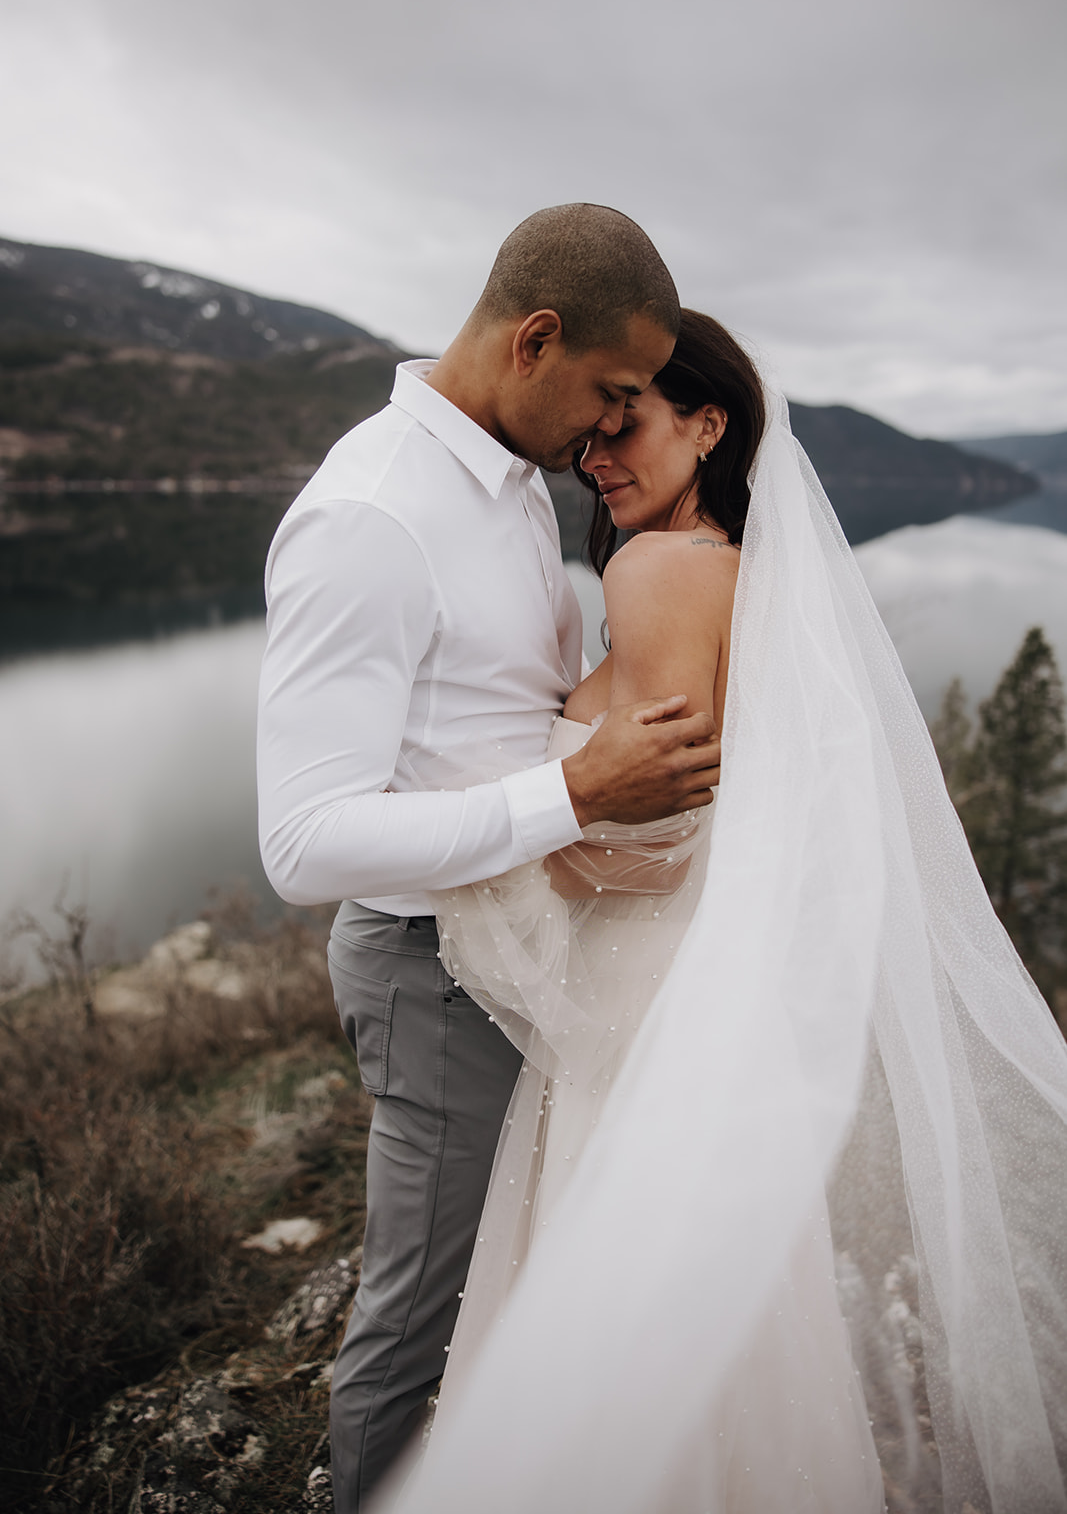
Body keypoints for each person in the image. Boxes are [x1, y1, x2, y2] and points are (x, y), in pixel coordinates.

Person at [379, 311, 1067, 1514]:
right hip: (693, 984)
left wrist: (511, 836)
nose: (596, 451)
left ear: (708, 426)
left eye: (624, 423)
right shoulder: (748, 580)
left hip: (636, 998)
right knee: (707, 1305)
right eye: (590, 431)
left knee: (611, 1309)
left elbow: (650, 839)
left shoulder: (652, 569)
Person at [255, 205, 724, 1513]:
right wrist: (573, 793)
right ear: (533, 339)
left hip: (527, 945)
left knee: (517, 1284)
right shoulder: (371, 517)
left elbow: (500, 714)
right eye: (609, 390)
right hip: (433, 967)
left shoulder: (511, 484)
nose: (607, 428)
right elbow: (302, 842)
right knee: (417, 1324)